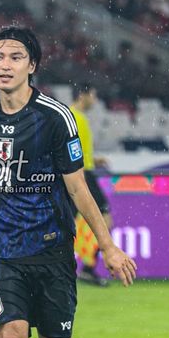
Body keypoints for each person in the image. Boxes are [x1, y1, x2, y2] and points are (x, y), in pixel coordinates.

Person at [0, 26, 137, 338]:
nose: (5, 65)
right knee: (11, 337)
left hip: (52, 252)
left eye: (15, 57)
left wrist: (108, 248)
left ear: (32, 65)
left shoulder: (56, 117)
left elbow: (79, 189)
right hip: (2, 252)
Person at [69, 83, 111, 287]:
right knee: (104, 218)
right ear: (82, 95)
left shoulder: (76, 117)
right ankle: (87, 268)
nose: (94, 100)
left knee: (74, 221)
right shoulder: (73, 117)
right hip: (82, 174)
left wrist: (95, 159)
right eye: (93, 95)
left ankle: (81, 267)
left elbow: (76, 149)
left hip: (84, 170)